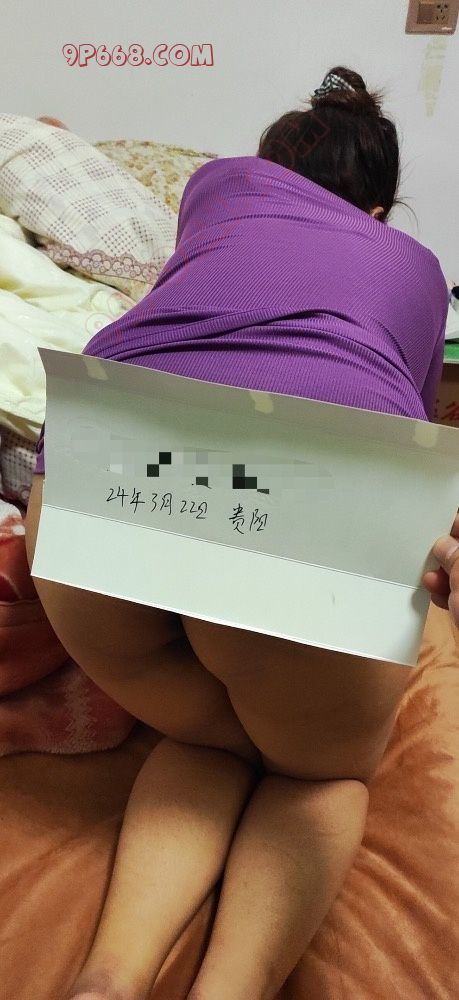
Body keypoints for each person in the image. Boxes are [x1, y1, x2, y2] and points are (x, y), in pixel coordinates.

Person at [25, 66, 455, 1000]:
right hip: (302, 495)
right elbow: (410, 442)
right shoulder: (417, 268)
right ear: (377, 211)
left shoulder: (213, 188)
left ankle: (108, 980)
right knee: (315, 777)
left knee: (210, 739)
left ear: (264, 170)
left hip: (95, 482)